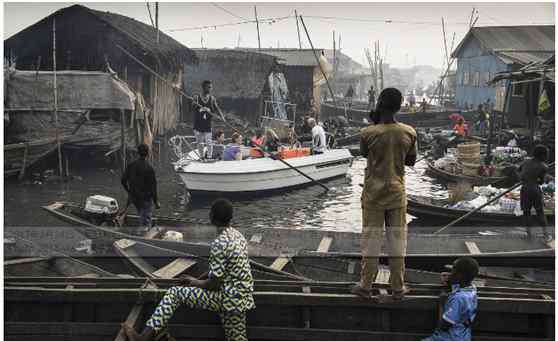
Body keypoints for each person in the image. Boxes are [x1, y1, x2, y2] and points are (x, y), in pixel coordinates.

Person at [122, 199, 255, 341]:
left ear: (211, 217)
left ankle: (144, 338)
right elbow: (220, 271)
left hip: (227, 297)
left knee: (175, 293)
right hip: (242, 296)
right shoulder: (238, 236)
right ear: (231, 218)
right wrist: (198, 279)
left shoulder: (220, 243)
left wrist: (194, 282)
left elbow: (214, 284)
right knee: (236, 338)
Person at [353, 87, 417, 301]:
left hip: (373, 194)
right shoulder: (409, 132)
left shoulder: (368, 133)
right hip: (397, 194)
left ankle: (365, 285)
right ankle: (398, 288)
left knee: (371, 242)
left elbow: (363, 153)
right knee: (397, 242)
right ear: (399, 106)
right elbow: (410, 161)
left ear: (380, 103)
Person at [422, 257, 479, 341]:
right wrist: (451, 281)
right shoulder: (472, 289)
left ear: (459, 275)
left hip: (448, 338)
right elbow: (460, 285)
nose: (450, 273)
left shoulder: (458, 299)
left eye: (452, 270)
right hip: (463, 336)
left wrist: (442, 303)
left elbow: (443, 326)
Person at [121, 144, 160, 229]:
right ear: (148, 153)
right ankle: (145, 237)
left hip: (134, 198)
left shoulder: (131, 165)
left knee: (142, 214)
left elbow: (123, 181)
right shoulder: (149, 168)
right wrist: (156, 202)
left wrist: (129, 192)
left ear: (138, 153)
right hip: (145, 198)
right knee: (145, 220)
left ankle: (142, 231)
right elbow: (153, 187)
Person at [518, 145, 551, 240]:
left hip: (524, 189)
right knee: (540, 212)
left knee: (526, 212)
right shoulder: (543, 166)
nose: (547, 157)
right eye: (546, 155)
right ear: (541, 155)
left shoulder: (525, 161)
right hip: (534, 190)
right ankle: (546, 235)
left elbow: (519, 170)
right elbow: (541, 182)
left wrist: (524, 178)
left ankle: (528, 235)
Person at [192, 80, 225, 159]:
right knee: (200, 144)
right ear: (204, 87)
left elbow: (217, 108)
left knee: (209, 142)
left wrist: (222, 117)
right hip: (198, 125)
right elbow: (192, 108)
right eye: (209, 87)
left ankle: (209, 158)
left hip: (207, 125)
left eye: (211, 87)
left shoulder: (212, 99)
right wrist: (194, 103)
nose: (210, 89)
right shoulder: (196, 98)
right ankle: (202, 157)